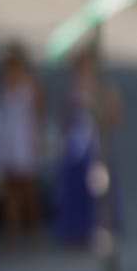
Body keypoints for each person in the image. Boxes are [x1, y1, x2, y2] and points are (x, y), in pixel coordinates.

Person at [54, 47, 122, 247]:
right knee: (75, 186)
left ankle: (101, 228)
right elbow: (66, 116)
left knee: (99, 186)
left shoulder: (105, 86)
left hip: (96, 140)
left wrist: (100, 116)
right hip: (76, 141)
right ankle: (76, 230)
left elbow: (115, 114)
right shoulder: (74, 85)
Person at [0, 43, 46, 246]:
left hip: (23, 141)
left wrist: (37, 140)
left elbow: (39, 114)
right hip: (11, 141)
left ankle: (34, 233)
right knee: (13, 192)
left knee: (28, 192)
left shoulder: (31, 85)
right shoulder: (6, 83)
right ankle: (14, 235)